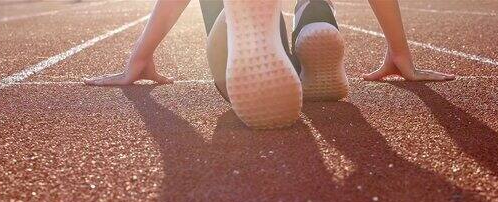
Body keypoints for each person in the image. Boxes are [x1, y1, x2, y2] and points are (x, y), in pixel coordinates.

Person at [85, 0, 455, 128]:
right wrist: (399, 51)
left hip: (244, 47)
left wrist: (140, 57)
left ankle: (242, 30)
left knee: (231, 23)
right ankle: (314, 23)